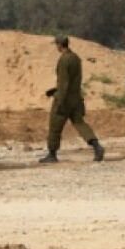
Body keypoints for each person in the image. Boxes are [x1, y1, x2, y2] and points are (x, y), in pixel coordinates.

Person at [40, 35, 104, 163]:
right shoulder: (76, 58)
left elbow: (64, 82)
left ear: (59, 44)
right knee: (79, 123)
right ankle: (97, 146)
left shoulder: (64, 60)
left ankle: (52, 154)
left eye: (56, 44)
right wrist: (55, 90)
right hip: (76, 98)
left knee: (55, 126)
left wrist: (60, 101)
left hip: (65, 99)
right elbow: (73, 80)